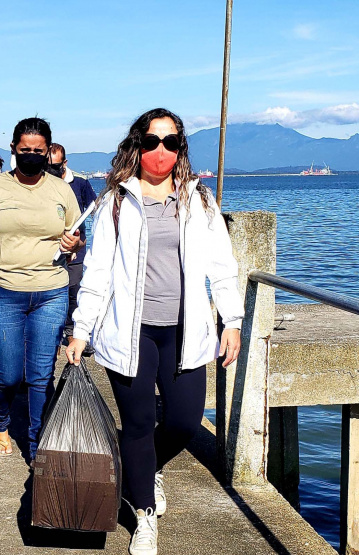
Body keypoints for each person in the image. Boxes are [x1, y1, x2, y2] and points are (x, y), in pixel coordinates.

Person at [65, 108, 244, 555]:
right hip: (131, 331)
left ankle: (146, 470)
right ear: (137, 146)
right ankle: (143, 513)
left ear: (180, 148)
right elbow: (98, 272)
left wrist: (232, 321)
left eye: (170, 142)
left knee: (184, 422)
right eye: (151, 141)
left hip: (187, 331)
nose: (160, 150)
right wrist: (81, 330)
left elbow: (222, 266)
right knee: (139, 424)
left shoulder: (199, 201)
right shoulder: (115, 203)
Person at [0, 117, 81, 459]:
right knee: (9, 374)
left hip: (51, 290)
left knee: (41, 375)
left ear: (48, 153)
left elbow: (76, 238)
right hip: (4, 290)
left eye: (38, 151)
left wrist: (74, 243)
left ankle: (37, 444)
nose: (31, 155)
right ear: (13, 150)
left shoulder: (61, 191)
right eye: (25, 150)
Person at [46, 143, 97, 355]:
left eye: (55, 166)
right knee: (51, 296)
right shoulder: (42, 183)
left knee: (74, 293)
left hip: (76, 249)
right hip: (50, 251)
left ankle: (75, 335)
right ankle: (53, 338)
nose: (51, 171)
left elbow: (95, 209)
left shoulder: (80, 185)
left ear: (64, 163)